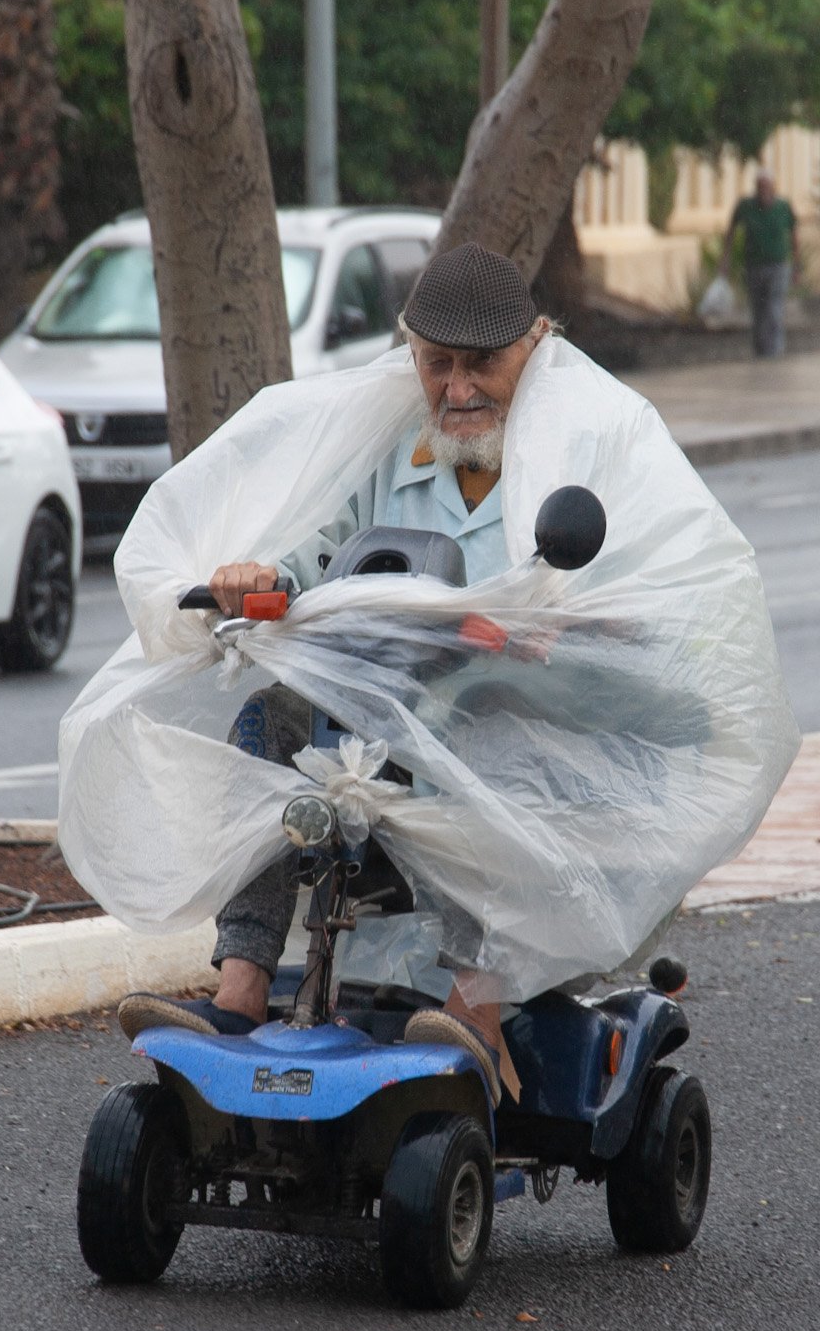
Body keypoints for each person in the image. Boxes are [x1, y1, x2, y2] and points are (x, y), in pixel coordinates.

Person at [112, 241, 550, 1102]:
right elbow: (315, 547)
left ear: (533, 347)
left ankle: (478, 1010)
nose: (459, 389)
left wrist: (547, 623)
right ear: (412, 357)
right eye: (439, 364)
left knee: (488, 724)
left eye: (483, 365)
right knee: (270, 714)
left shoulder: (568, 458)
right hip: (383, 716)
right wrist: (264, 576)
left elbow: (616, 589)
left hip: (511, 725)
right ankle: (240, 986)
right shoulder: (390, 453)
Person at [727, 171, 797, 358]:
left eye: (767, 187)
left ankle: (775, 349)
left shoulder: (783, 207)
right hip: (754, 265)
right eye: (760, 187)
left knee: (774, 307)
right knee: (758, 309)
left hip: (778, 265)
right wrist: (725, 258)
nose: (763, 191)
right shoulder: (747, 206)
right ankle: (761, 348)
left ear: (773, 188)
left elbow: (793, 233)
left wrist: (797, 264)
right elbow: (731, 230)